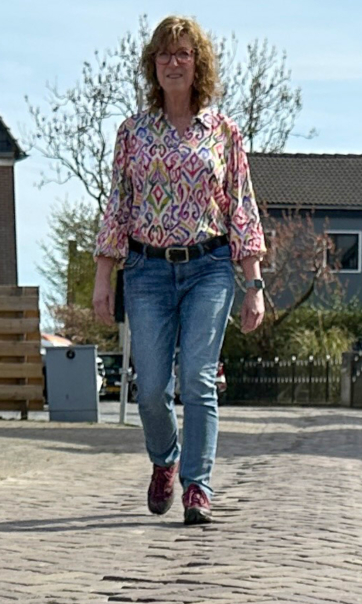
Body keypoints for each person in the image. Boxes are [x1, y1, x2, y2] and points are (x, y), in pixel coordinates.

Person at [91, 15, 267, 527]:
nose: (173, 62)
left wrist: (252, 284)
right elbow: (118, 206)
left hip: (209, 267)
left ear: (198, 65)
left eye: (183, 54)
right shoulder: (133, 132)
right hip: (146, 270)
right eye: (165, 54)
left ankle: (198, 486)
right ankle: (165, 458)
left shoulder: (224, 133)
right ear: (153, 65)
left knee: (197, 378)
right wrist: (105, 275)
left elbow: (242, 207)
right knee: (149, 388)